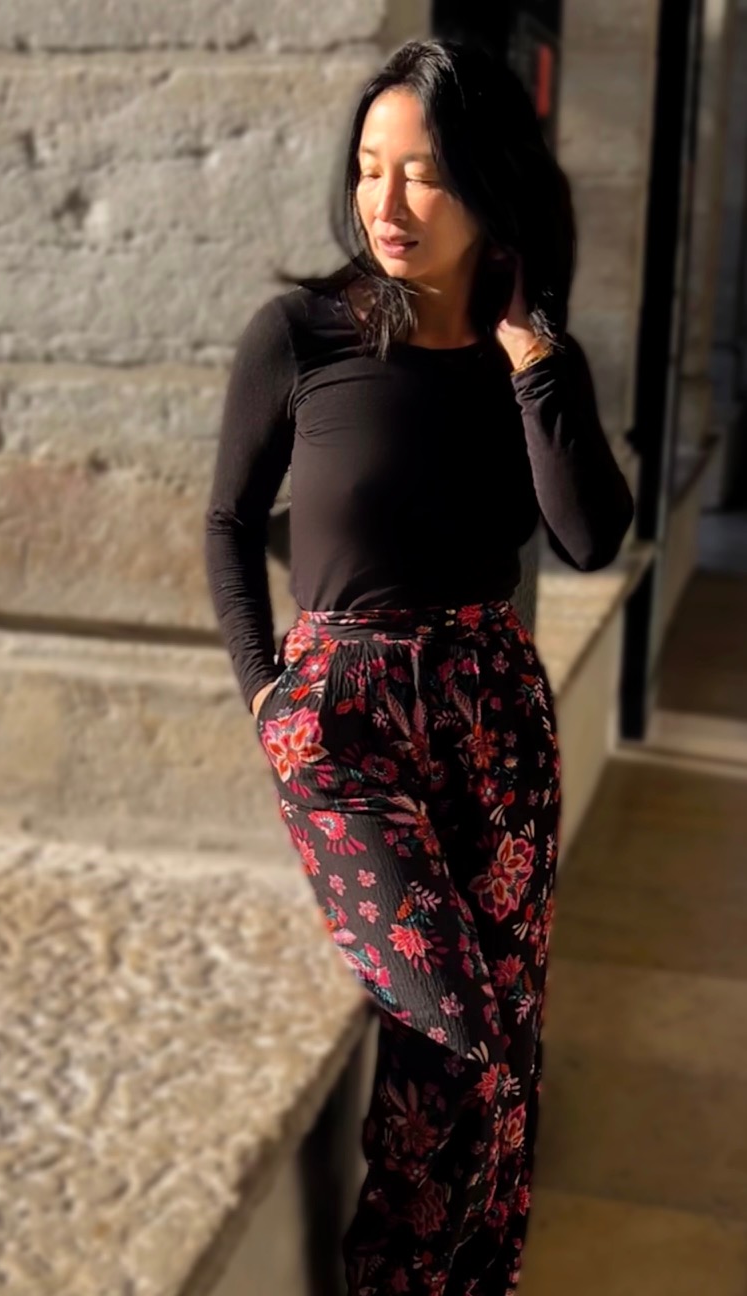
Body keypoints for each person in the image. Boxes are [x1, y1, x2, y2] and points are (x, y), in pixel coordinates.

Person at [204, 37, 634, 1296]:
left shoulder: (530, 360)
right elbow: (229, 521)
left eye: (424, 175)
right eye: (367, 168)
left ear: (491, 188)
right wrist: (266, 692)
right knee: (452, 1037)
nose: (383, 203)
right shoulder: (300, 334)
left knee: (505, 1050)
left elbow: (589, 536)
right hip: (340, 725)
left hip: (491, 718)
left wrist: (533, 357)